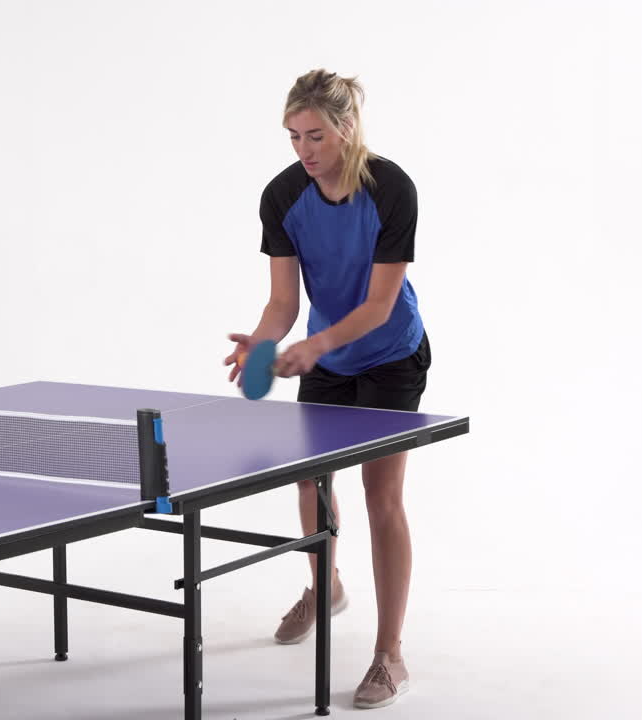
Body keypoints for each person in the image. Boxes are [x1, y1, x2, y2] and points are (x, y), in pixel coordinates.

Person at [224, 69, 431, 710]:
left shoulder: (391, 189)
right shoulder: (282, 197)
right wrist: (263, 341)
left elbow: (377, 304)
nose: (304, 150)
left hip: (391, 355)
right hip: (328, 359)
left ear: (345, 130)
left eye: (314, 135)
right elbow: (284, 300)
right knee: (312, 481)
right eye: (293, 136)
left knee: (380, 496)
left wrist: (313, 347)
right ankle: (326, 584)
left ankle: (389, 655)